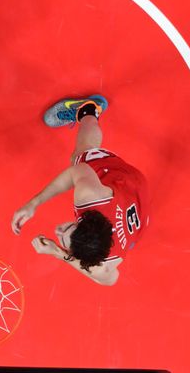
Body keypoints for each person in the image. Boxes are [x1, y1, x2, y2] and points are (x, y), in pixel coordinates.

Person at [10, 96, 149, 286]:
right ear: (84, 220)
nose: (57, 232)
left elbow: (109, 280)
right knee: (81, 155)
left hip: (139, 207)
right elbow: (74, 173)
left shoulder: (106, 264)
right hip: (127, 180)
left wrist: (59, 253)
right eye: (65, 230)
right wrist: (33, 203)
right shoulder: (92, 196)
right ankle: (89, 110)